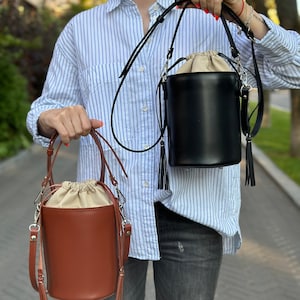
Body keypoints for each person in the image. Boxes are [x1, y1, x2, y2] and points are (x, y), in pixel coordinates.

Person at [27, 0, 300, 299]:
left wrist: (244, 12)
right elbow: (48, 107)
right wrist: (50, 118)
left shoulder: (214, 21)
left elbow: (294, 69)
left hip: (194, 212)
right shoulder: (81, 29)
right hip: (106, 216)